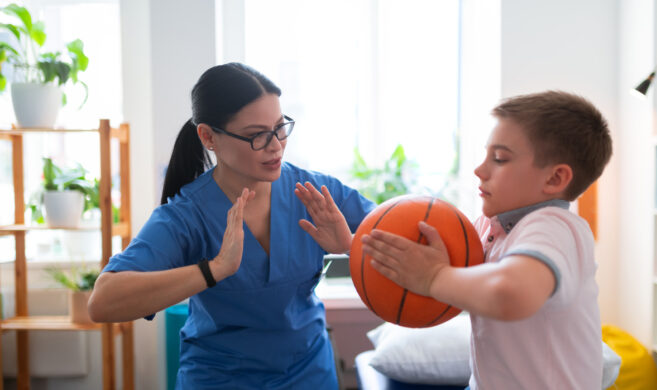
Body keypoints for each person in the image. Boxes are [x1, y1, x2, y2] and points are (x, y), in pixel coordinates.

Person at [88, 62, 375, 389]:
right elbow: (103, 301)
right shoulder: (187, 215)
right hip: (220, 379)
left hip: (308, 374)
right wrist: (215, 269)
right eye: (257, 136)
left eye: (280, 127)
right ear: (209, 137)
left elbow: (406, 237)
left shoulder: (316, 194)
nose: (276, 145)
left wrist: (350, 245)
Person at [362, 90, 613, 389]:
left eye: (500, 158)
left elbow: (510, 294)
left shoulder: (556, 228)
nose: (479, 170)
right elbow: (419, 249)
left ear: (555, 179)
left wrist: (434, 277)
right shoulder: (490, 226)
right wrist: (356, 244)